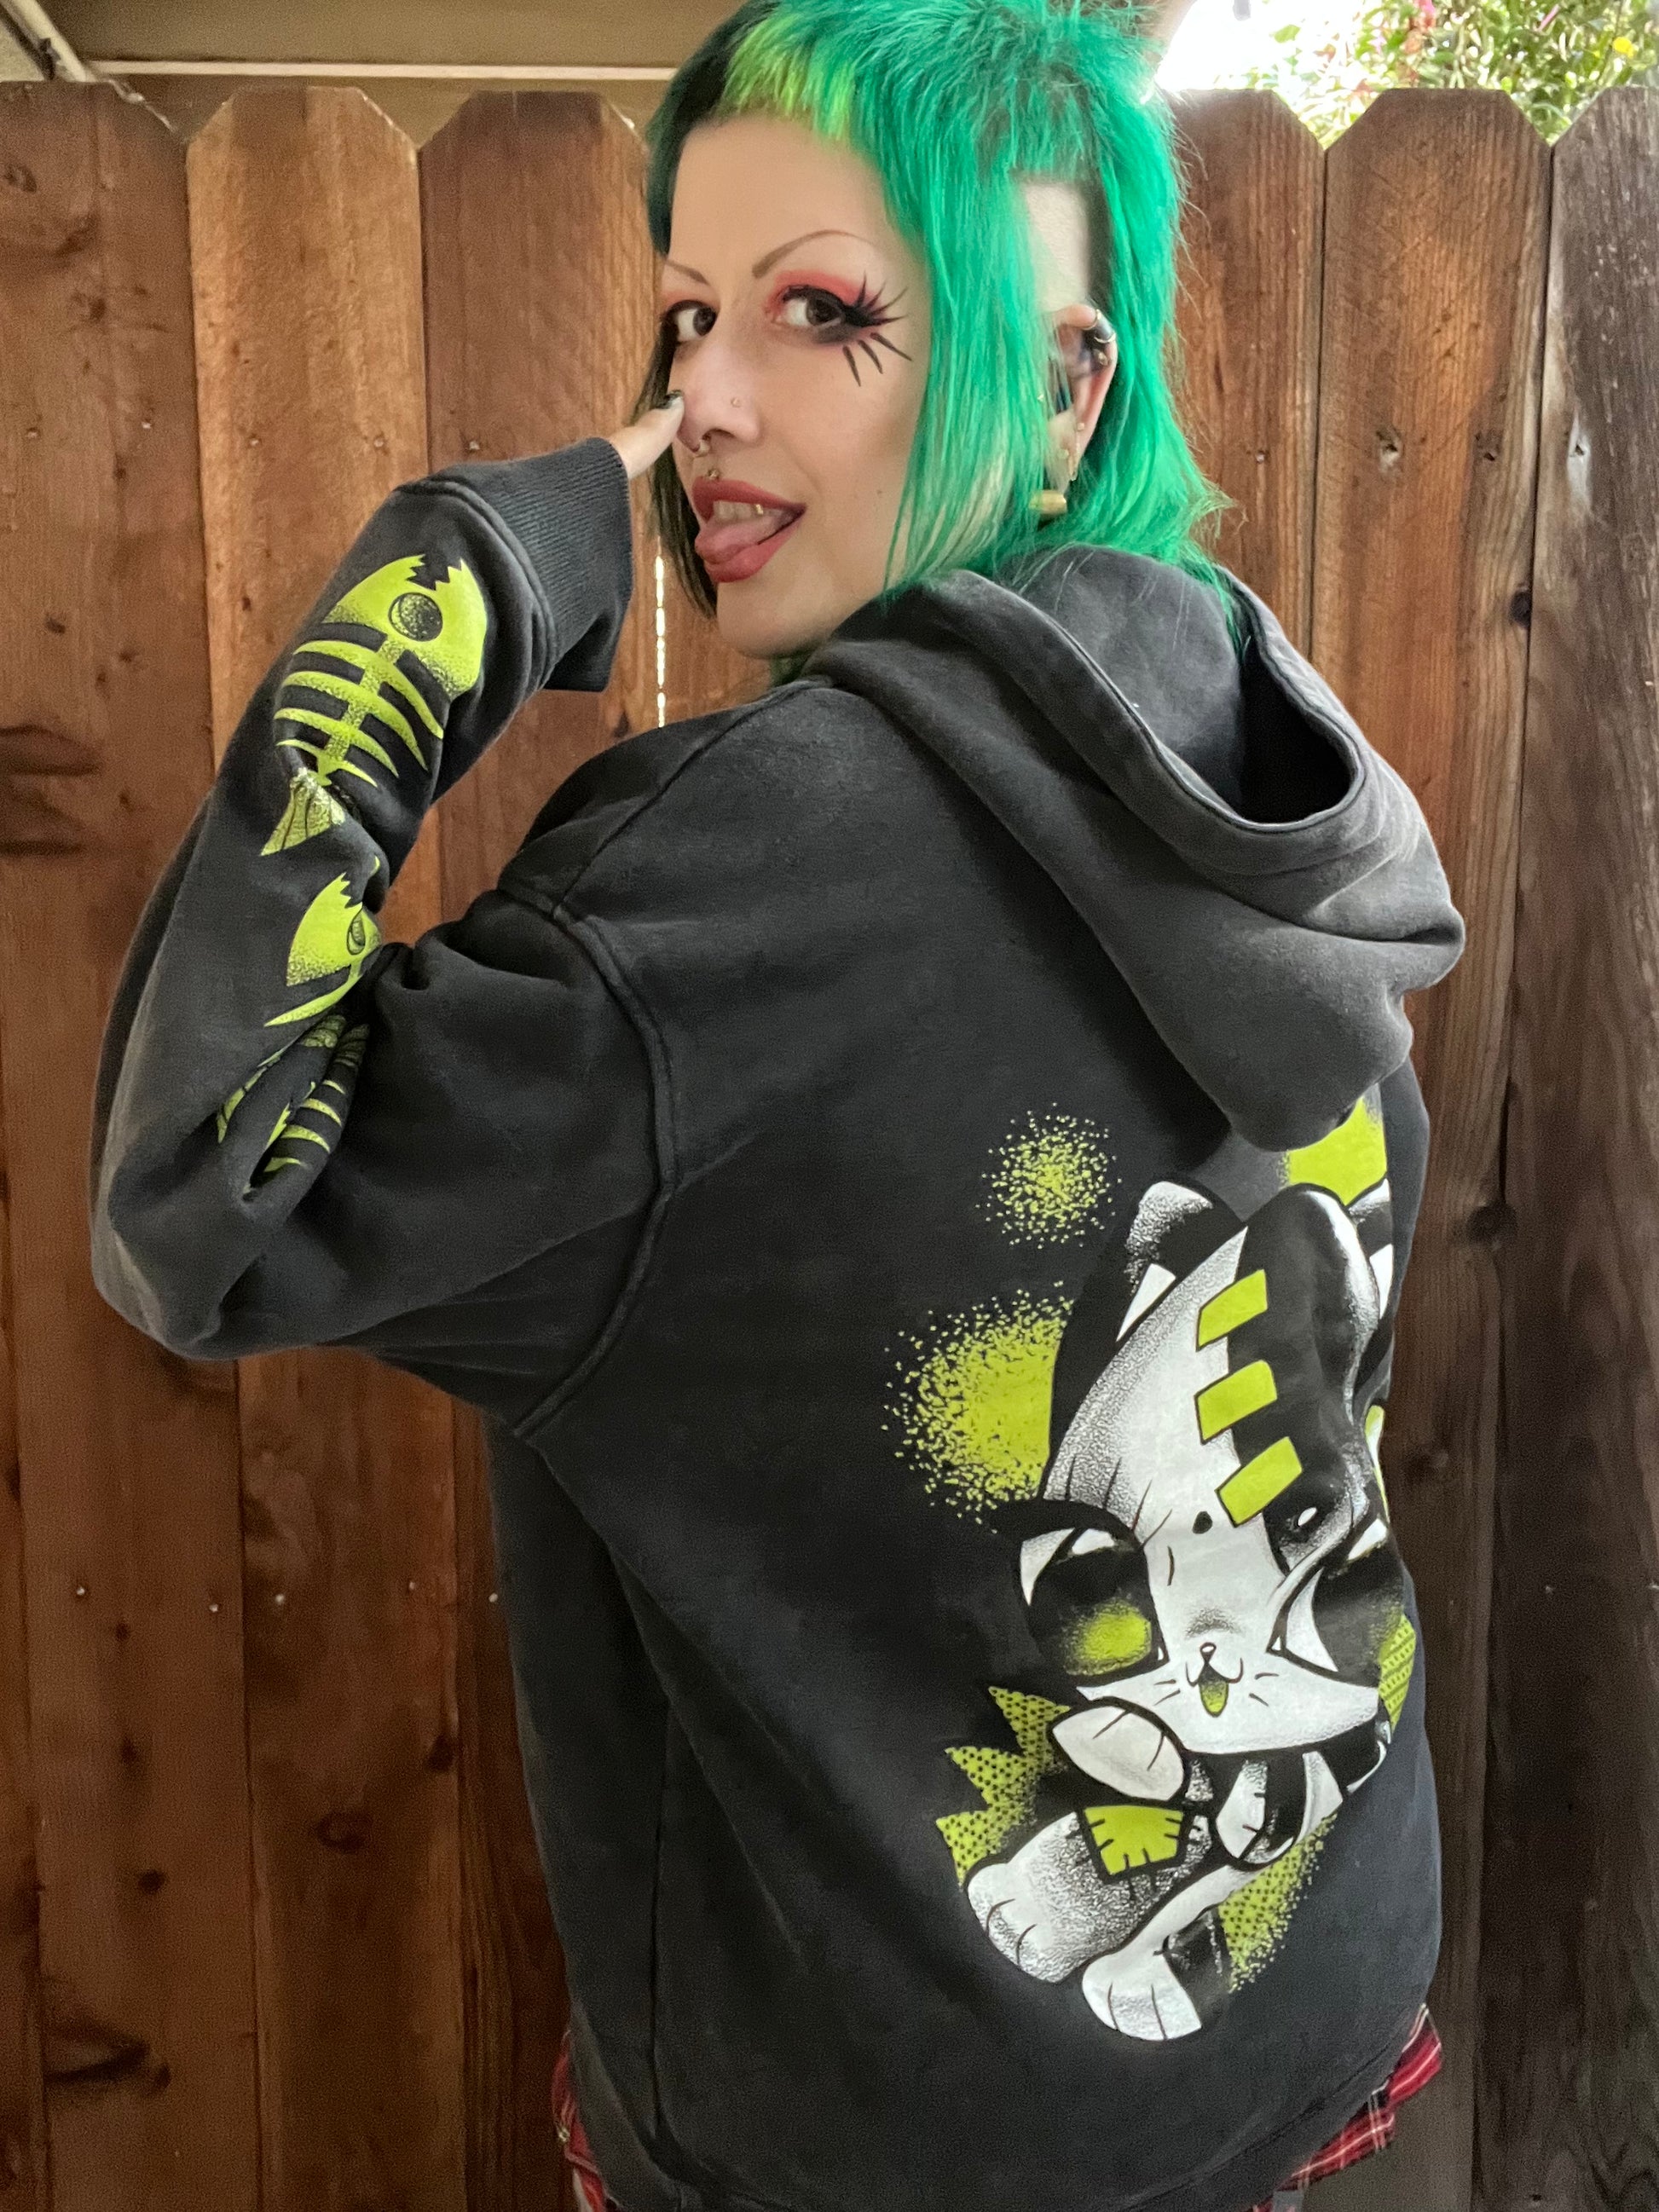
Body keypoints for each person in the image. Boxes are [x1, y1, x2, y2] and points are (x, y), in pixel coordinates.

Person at [87, 2, 1465, 2208]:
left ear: (1069, 387)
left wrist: (464, 565)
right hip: (1321, 2002)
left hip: (886, 2136)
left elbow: (202, 1191)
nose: (704, 400)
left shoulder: (726, 879)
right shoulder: (1254, 736)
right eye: (687, 316)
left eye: (825, 312)